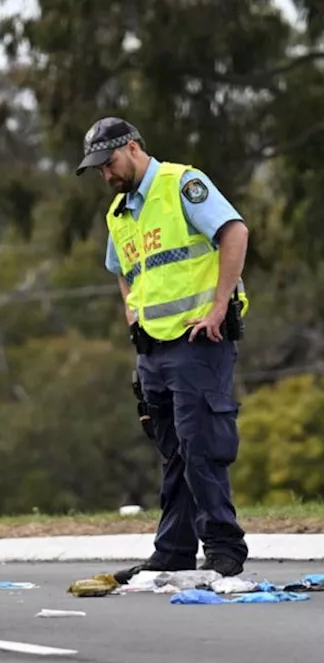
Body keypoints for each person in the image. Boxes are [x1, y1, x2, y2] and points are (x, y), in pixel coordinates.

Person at [76, 117, 251, 582]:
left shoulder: (182, 184)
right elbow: (122, 267)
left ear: (132, 148)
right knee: (173, 450)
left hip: (199, 340)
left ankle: (223, 546)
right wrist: (131, 313)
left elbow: (235, 232)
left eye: (109, 163)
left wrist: (218, 307)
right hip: (153, 348)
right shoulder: (120, 213)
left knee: (202, 445)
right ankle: (173, 549)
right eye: (97, 170)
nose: (106, 176)